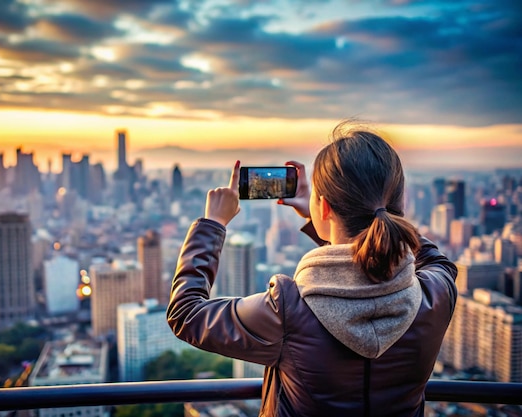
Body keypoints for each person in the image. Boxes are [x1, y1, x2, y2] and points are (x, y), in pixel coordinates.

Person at [167, 121, 458, 416]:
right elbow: (436, 260)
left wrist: (212, 224)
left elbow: (186, 314)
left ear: (326, 207)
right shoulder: (435, 295)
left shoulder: (288, 310)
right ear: (398, 204)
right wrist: (336, 214)